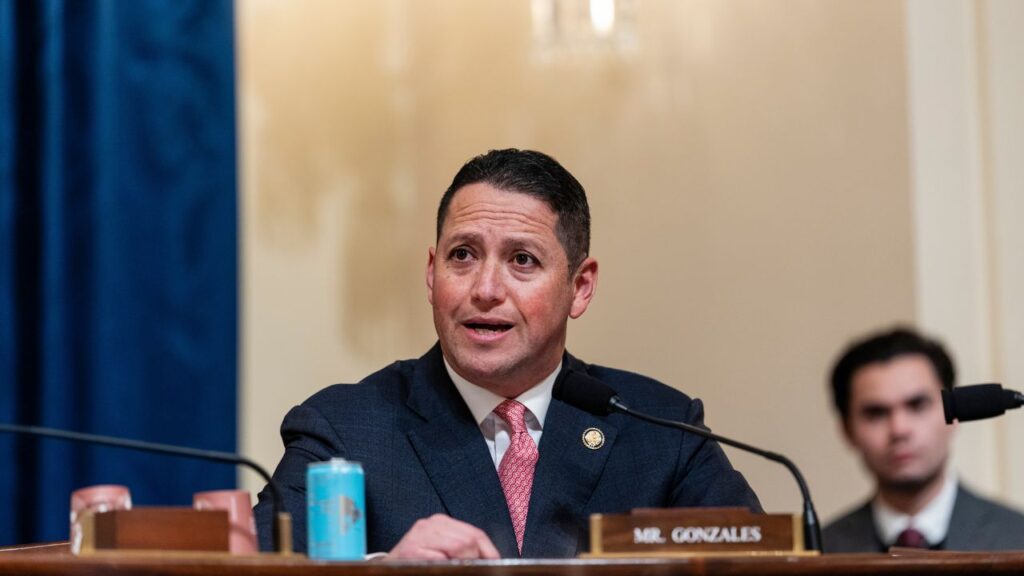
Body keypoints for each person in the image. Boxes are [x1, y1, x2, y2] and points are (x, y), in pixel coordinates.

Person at [253, 149, 761, 559]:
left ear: (580, 288)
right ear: (432, 274)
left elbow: (765, 567)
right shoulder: (345, 430)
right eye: (463, 255)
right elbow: (250, 574)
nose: (486, 288)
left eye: (522, 260)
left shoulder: (661, 432)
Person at [823, 327, 1024, 552]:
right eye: (876, 413)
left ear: (955, 412)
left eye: (918, 405)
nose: (899, 430)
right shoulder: (820, 552)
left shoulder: (1017, 537)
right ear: (847, 430)